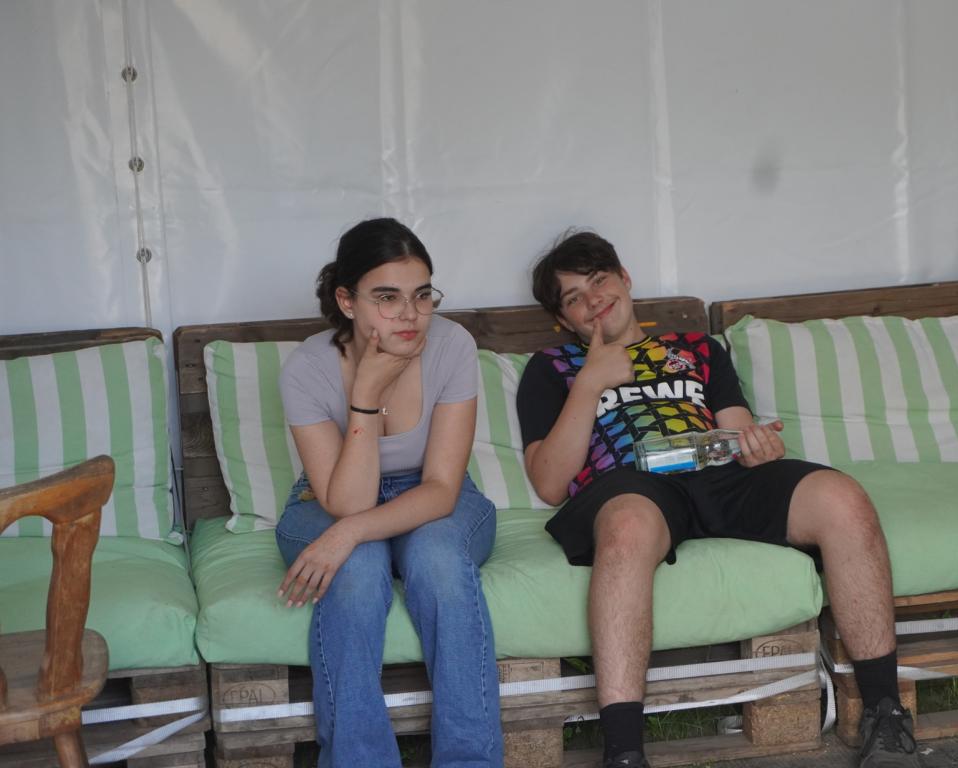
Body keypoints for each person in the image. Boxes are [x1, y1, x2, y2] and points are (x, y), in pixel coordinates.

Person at [515, 231, 921, 768]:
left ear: (625, 279)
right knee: (628, 528)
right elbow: (549, 482)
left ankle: (885, 713)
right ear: (563, 319)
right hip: (633, 487)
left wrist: (757, 447)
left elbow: (737, 431)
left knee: (843, 498)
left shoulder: (696, 349)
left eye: (599, 281)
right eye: (574, 297)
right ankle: (624, 752)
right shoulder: (552, 367)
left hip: (719, 473)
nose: (593, 300)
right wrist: (590, 384)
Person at [275, 217, 502, 767]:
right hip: (330, 494)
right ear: (346, 301)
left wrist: (348, 533)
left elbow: (442, 489)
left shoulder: (451, 344)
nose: (410, 314)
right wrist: (365, 396)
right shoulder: (307, 368)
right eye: (386, 297)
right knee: (355, 568)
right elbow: (346, 502)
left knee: (438, 559)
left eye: (421, 295)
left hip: (431, 491)